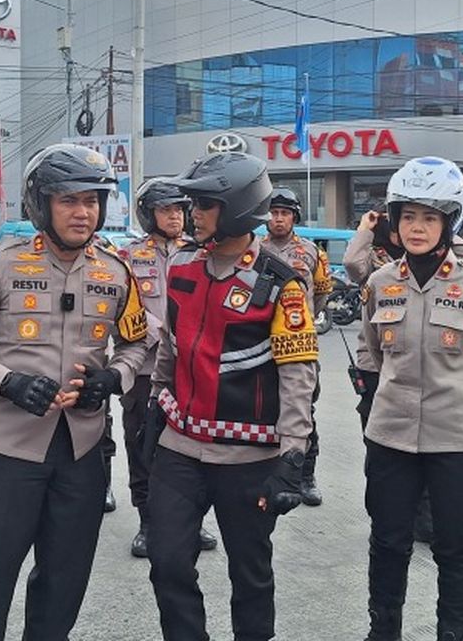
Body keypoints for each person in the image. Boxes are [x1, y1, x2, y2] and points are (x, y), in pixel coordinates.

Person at [0, 143, 148, 641]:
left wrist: (114, 378)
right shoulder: (1, 265)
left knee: (64, 580)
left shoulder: (115, 271)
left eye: (92, 201)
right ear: (41, 204)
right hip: (9, 452)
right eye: (69, 200)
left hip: (81, 453)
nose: (83, 212)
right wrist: (6, 381)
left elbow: (138, 345)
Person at [145, 151, 319, 641]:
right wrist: (155, 409)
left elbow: (297, 370)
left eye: (204, 203)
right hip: (179, 448)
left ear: (239, 209)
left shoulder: (281, 281)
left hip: (249, 456)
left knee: (250, 575)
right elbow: (170, 347)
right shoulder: (180, 264)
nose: (191, 213)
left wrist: (294, 452)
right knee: (168, 563)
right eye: (191, 203)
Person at [359, 156, 463, 641]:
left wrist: (456, 398)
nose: (417, 227)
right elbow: (375, 355)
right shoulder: (379, 284)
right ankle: (383, 631)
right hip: (391, 438)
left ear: (450, 221)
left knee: (456, 549)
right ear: (395, 222)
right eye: (408, 216)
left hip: (461, 442)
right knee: (387, 544)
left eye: (429, 217)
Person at [117, 177, 216, 558]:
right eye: (165, 210)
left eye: (179, 210)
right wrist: (164, 333)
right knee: (142, 440)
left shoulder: (199, 253)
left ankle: (192, 518)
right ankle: (146, 520)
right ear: (148, 214)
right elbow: (123, 307)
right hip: (144, 366)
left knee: (191, 443)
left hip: (190, 367)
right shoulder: (128, 257)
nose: (175, 217)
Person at [263, 186, 332, 506]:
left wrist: (302, 321)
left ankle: (306, 475)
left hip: (299, 344)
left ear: (294, 217)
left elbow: (320, 294)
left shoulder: (311, 252)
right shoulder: (254, 249)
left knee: (304, 409)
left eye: (284, 214)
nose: (278, 219)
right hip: (261, 342)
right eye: (274, 213)